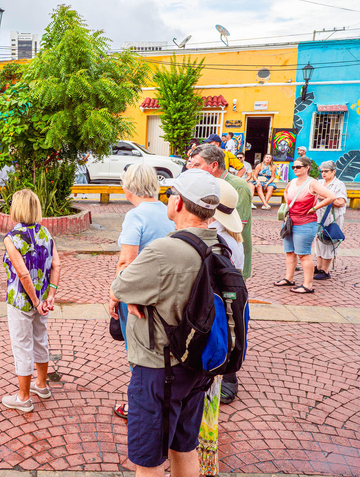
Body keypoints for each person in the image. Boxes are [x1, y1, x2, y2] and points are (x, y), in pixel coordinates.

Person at [110, 169, 219, 477]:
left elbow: (120, 286)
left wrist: (133, 291)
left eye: (173, 195)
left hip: (160, 367)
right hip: (198, 364)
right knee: (185, 447)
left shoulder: (165, 251)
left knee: (148, 462)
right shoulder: (220, 245)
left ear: (180, 204)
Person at [187, 144, 252, 405]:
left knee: (225, 329)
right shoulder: (225, 235)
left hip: (223, 289)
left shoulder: (219, 237)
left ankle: (226, 377)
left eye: (197, 164)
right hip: (223, 290)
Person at [109, 164, 175, 421]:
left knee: (137, 352)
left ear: (129, 187)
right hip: (164, 292)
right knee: (161, 351)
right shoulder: (165, 211)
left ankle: (139, 405)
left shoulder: (136, 216)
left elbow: (127, 261)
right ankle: (161, 400)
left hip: (139, 295)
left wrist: (116, 294)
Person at [1, 189, 60, 412]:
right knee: (40, 339)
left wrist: (34, 301)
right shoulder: (45, 233)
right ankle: (42, 385)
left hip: (21, 301)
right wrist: (50, 296)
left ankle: (24, 398)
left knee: (22, 345)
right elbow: (56, 265)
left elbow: (23, 274)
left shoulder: (12, 238)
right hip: (43, 301)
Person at [199, 177, 243, 476]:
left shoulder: (212, 243)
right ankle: (207, 461)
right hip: (224, 332)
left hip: (206, 329)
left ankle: (199, 461)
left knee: (197, 403)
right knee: (210, 404)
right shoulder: (233, 243)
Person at [273, 157, 336, 294]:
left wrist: (314, 208)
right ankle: (289, 278)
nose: (295, 169)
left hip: (306, 223)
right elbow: (286, 192)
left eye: (298, 167)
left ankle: (308, 285)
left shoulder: (312, 183)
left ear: (307, 167)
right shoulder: (292, 182)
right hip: (290, 221)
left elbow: (331, 196)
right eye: (293, 167)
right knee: (289, 252)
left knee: (303, 254)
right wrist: (289, 205)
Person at [314, 161, 347, 280]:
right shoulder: (319, 183)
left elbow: (340, 202)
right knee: (318, 241)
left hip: (333, 218)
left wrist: (324, 198)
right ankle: (318, 266)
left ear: (334, 171)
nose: (323, 173)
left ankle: (325, 270)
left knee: (328, 242)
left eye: (326, 171)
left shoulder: (339, 184)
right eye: (322, 171)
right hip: (319, 217)